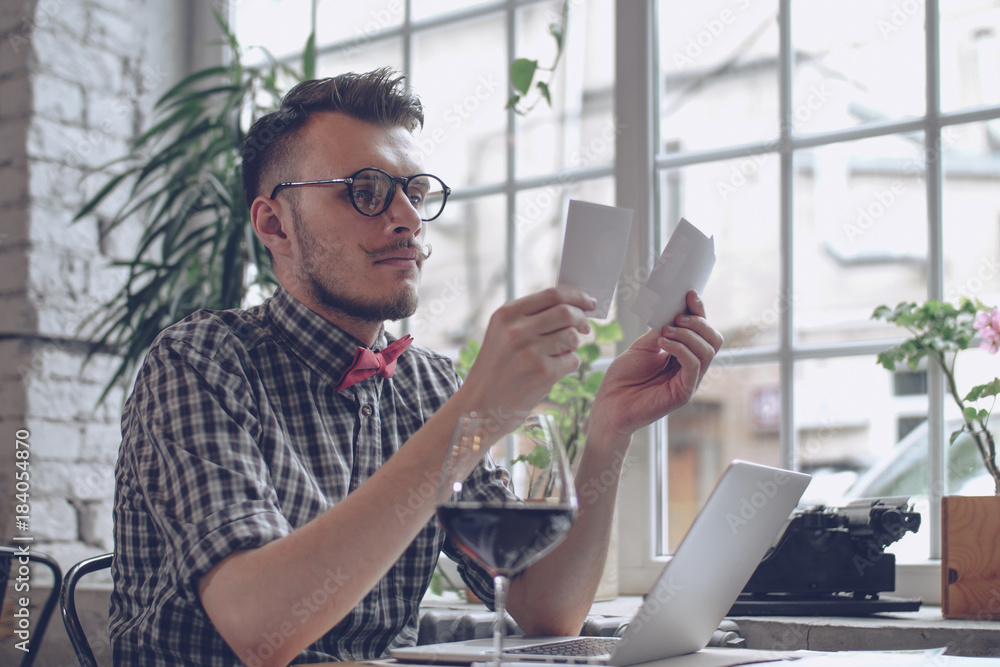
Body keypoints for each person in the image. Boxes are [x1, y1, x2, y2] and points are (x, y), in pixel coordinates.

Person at [109, 67, 723, 667]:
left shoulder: (429, 384)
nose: (406, 219)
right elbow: (260, 630)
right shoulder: (199, 361)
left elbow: (546, 610)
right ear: (275, 225)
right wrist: (475, 406)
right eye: (366, 192)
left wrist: (610, 427)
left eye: (416, 193)